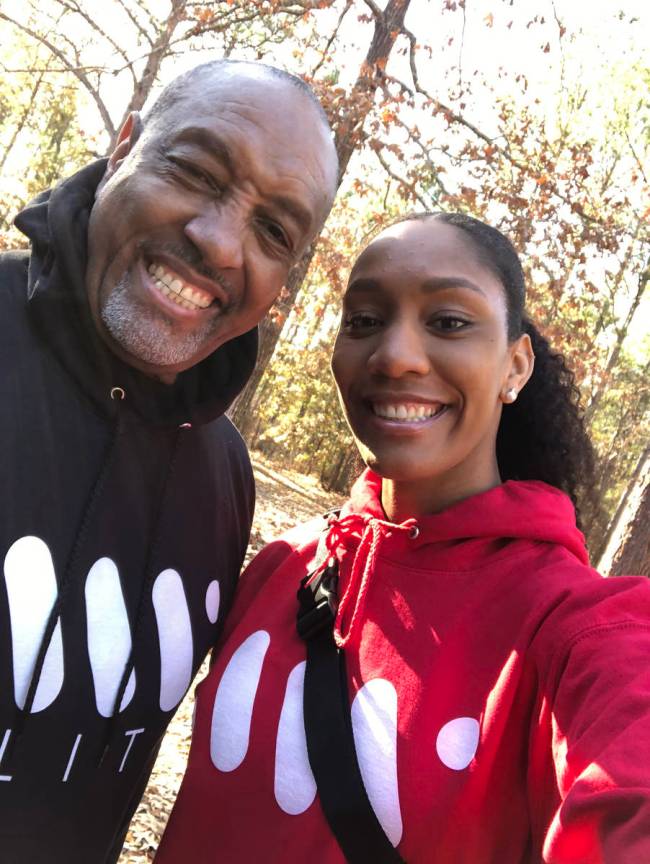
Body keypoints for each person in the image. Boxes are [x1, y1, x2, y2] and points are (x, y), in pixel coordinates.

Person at [155, 212, 650, 863]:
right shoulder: (283, 566)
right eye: (364, 321)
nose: (394, 356)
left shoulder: (576, 629)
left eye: (448, 322)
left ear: (516, 366)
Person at [0, 59, 338, 864]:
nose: (219, 242)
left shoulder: (223, 481)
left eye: (273, 231)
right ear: (125, 144)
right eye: (193, 171)